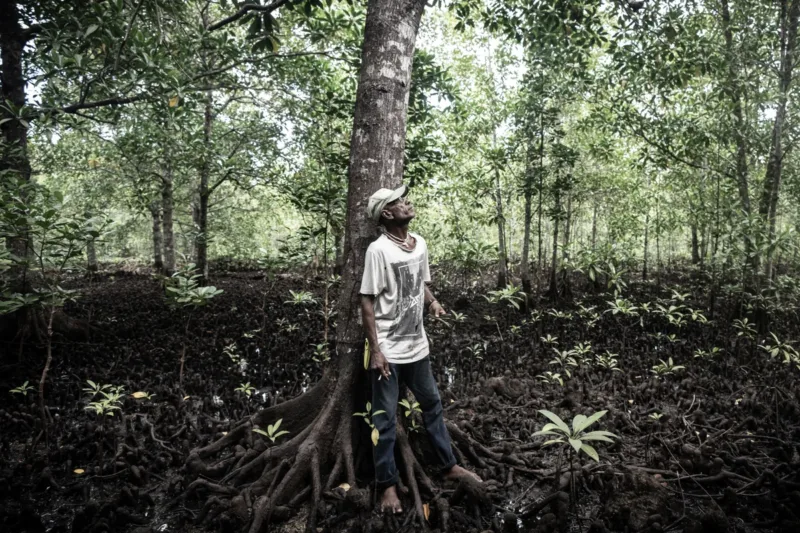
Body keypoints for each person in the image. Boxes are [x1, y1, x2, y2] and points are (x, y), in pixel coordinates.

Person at [359, 184, 481, 514]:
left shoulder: (420, 244)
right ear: (387, 213)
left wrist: (435, 303)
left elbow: (421, 284)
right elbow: (367, 301)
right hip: (389, 351)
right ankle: (386, 485)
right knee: (383, 419)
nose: (406, 203)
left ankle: (448, 465)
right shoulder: (378, 251)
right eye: (399, 201)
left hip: (418, 347)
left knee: (432, 405)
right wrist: (377, 350)